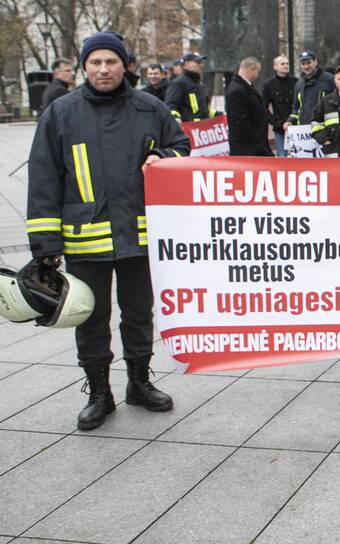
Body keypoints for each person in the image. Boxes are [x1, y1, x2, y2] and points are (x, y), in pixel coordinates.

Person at [27, 31, 190, 431]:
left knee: (139, 314)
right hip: (85, 240)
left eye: (111, 61)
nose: (103, 69)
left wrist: (163, 155)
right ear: (84, 67)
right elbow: (44, 179)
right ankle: (99, 392)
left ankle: (139, 383)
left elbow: (183, 148)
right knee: (91, 318)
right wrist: (46, 245)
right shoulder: (61, 113)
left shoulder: (150, 107)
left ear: (125, 65)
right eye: (95, 62)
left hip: (139, 237)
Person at [225, 57, 272, 156]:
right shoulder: (237, 90)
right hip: (248, 148)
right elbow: (240, 121)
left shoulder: (245, 87)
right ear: (251, 69)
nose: (257, 75)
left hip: (253, 146)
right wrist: (255, 138)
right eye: (257, 72)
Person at [286, 50, 334, 127]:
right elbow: (296, 108)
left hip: (325, 127)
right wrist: (290, 121)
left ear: (315, 62)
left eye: (308, 63)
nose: (306, 67)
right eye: (303, 64)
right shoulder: (299, 84)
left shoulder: (329, 79)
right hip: (304, 129)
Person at [262, 55, 296, 157]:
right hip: (279, 128)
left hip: (296, 126)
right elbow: (263, 106)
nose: (286, 66)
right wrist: (275, 122)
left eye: (287, 63)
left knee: (299, 156)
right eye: (282, 64)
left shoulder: (296, 82)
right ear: (275, 66)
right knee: (282, 157)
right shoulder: (269, 85)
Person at [165, 52, 214, 122]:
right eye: (198, 62)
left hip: (201, 129)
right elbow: (171, 105)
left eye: (201, 63)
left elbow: (204, 110)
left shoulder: (198, 84)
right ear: (187, 64)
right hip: (188, 129)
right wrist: (176, 118)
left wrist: (220, 115)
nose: (202, 65)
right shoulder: (178, 83)